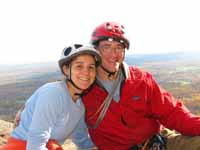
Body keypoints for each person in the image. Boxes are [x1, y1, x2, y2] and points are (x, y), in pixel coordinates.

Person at [81, 22, 200, 150]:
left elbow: (172, 112)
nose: (113, 54)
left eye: (119, 47)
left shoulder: (140, 80)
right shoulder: (84, 88)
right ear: (95, 51)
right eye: (106, 47)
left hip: (157, 142)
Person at [0, 44, 101, 150]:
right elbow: (35, 144)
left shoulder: (80, 104)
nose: (86, 72)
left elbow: (82, 139)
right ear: (66, 70)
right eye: (79, 66)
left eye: (91, 67)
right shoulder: (54, 93)